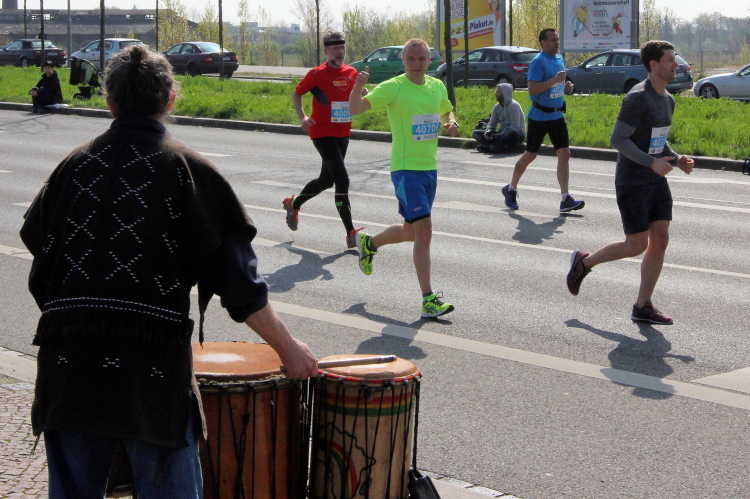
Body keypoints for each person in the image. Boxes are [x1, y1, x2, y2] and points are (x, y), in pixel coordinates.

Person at [19, 45, 318, 498]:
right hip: (151, 374)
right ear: (171, 98)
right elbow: (242, 287)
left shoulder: (72, 166)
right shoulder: (189, 171)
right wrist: (290, 349)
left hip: (67, 366)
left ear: (109, 101)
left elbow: (41, 253)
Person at [566, 40, 694, 325]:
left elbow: (657, 141)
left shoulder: (668, 100)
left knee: (660, 239)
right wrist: (651, 163)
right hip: (633, 182)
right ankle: (583, 262)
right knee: (636, 245)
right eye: (670, 60)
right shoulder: (637, 98)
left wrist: (677, 159)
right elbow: (618, 139)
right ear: (654, 65)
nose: (676, 64)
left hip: (655, 180)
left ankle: (642, 305)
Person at [349, 38, 459, 318]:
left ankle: (369, 244)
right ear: (403, 61)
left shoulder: (436, 86)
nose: (416, 64)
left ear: (429, 61)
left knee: (411, 232)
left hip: (429, 168)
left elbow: (445, 109)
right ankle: (428, 300)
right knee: (425, 232)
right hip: (405, 169)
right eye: (411, 59)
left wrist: (451, 121)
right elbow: (356, 109)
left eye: (421, 59)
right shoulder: (394, 87)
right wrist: (358, 87)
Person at [284, 30, 365, 249]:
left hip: (343, 133)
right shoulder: (317, 74)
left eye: (343, 48)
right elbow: (296, 93)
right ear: (326, 51)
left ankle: (294, 203)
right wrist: (302, 118)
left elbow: (352, 96)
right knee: (342, 180)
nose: (340, 52)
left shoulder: (351, 72)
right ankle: (350, 233)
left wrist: (361, 93)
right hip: (321, 132)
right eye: (336, 48)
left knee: (326, 181)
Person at [501, 28, 585, 213]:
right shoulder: (538, 62)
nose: (557, 43)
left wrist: (565, 88)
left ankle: (565, 198)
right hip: (539, 116)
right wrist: (555, 80)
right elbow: (532, 90)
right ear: (543, 42)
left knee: (564, 154)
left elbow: (556, 86)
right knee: (530, 155)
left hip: (557, 115)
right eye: (553, 40)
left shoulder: (559, 59)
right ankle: (511, 188)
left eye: (557, 39)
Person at [472, 82, 525, 153]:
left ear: (505, 93)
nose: (495, 94)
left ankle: (490, 147)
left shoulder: (514, 106)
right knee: (475, 133)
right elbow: (492, 125)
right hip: (501, 134)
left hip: (516, 134)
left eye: (498, 92)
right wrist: (489, 131)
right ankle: (494, 146)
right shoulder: (497, 107)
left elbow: (515, 127)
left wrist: (499, 135)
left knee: (509, 130)